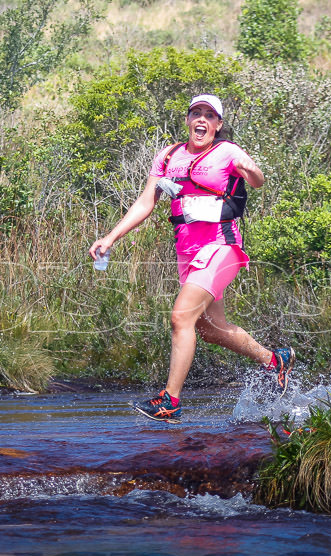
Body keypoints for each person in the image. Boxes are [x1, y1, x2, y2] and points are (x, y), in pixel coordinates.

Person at [89, 94, 295, 423]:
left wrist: (251, 171)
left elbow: (257, 181)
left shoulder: (226, 151)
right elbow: (146, 202)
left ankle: (170, 400)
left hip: (221, 246)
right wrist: (110, 237)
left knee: (180, 318)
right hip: (187, 250)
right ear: (188, 120)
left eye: (209, 115)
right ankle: (274, 360)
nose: (202, 120)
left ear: (218, 125)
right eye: (196, 113)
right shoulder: (169, 156)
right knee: (210, 329)